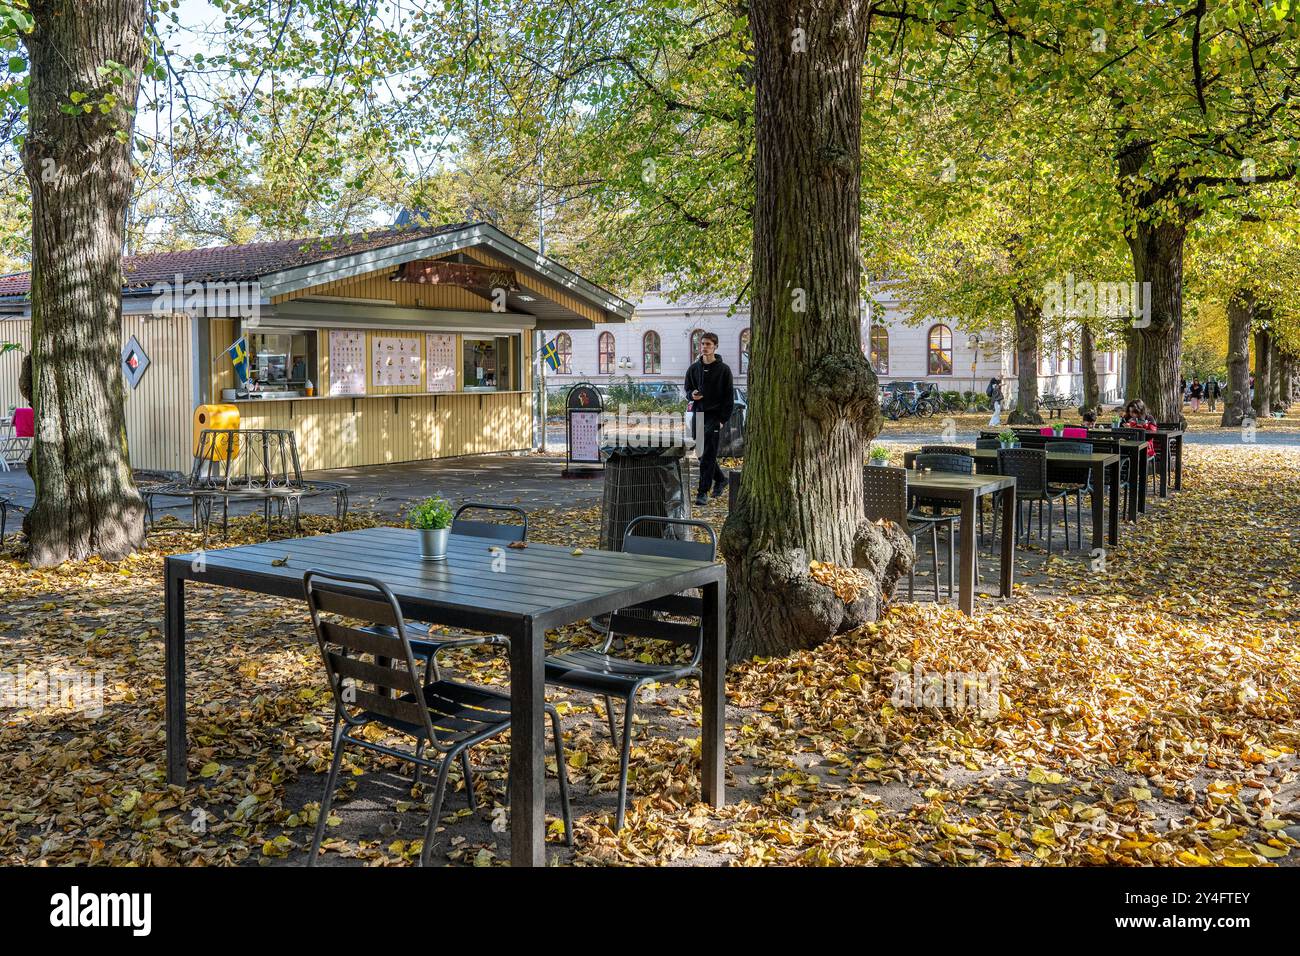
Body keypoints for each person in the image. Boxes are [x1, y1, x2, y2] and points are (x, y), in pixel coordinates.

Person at [685, 331, 734, 506]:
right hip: (698, 413)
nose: (705, 347)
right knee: (699, 452)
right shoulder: (693, 368)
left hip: (714, 416)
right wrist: (693, 395)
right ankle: (720, 479)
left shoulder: (724, 370)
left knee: (708, 455)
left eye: (708, 344)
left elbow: (729, 397)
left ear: (715, 347)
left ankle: (702, 492)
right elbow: (687, 390)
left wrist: (722, 419)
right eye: (703, 344)